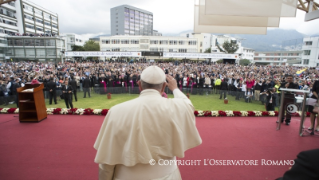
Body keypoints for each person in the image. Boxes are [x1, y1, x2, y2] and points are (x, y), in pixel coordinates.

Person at [94, 66, 202, 180]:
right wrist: (175, 89)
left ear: (139, 85)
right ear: (164, 86)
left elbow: (107, 160)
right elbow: (187, 103)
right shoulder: (178, 107)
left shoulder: (116, 111)